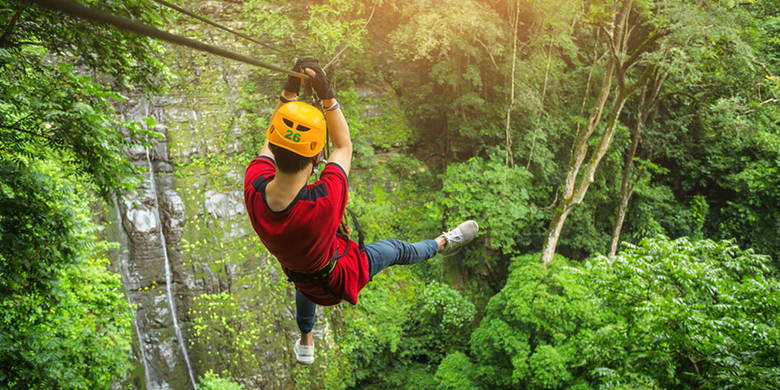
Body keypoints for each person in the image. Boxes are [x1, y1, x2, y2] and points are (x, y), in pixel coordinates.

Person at [243, 58, 478, 364]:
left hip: (301, 271)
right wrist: (326, 94)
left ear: (274, 150)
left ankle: (306, 340)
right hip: (339, 277)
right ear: (316, 158)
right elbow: (343, 147)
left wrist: (290, 97)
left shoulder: (254, 187)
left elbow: (272, 141)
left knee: (306, 281)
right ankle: (444, 242)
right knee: (396, 250)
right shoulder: (322, 201)